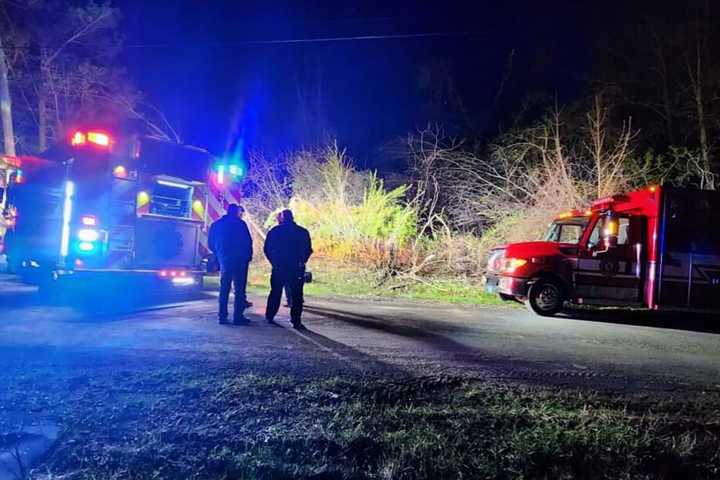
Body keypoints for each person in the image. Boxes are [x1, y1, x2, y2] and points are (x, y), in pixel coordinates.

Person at [264, 209, 313, 328]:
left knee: (275, 292)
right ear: (292, 218)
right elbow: (308, 249)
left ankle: (270, 316)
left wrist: (274, 262)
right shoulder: (302, 232)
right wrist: (302, 261)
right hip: (296, 267)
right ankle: (296, 321)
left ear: (281, 219)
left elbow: (267, 249)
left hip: (279, 267)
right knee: (297, 295)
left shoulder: (275, 231)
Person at [208, 203, 253, 325]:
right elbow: (248, 242)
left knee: (224, 288)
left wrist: (219, 254)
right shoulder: (240, 224)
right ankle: (238, 317)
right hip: (240, 260)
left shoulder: (216, 225)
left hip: (225, 260)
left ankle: (222, 316)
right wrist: (248, 257)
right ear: (237, 212)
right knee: (239, 289)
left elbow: (210, 243)